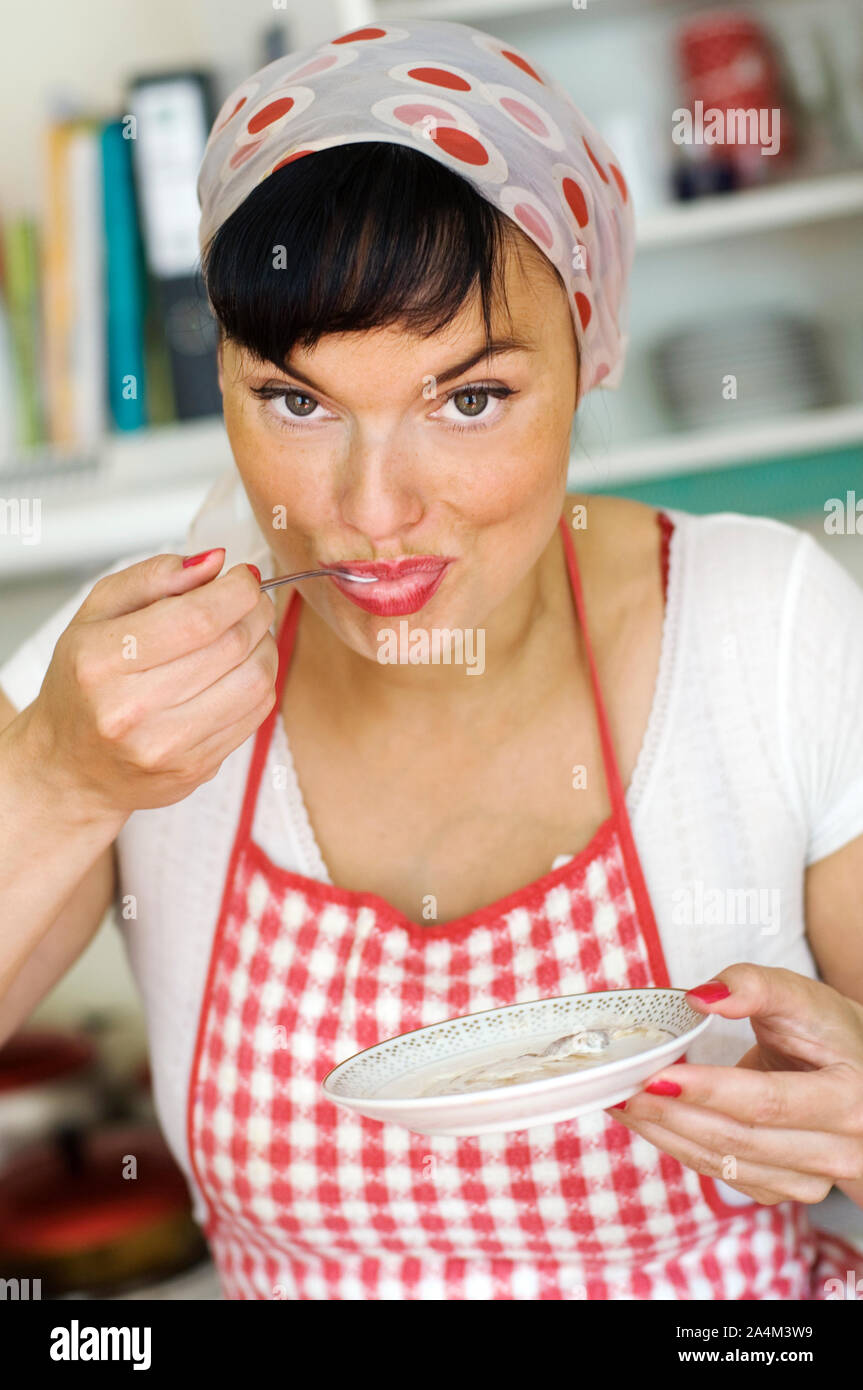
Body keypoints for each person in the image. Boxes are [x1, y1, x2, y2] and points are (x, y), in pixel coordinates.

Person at [2, 18, 863, 1301]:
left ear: (586, 358)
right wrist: (57, 779)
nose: (373, 510)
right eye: (295, 401)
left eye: (468, 400)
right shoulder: (117, 676)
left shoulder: (765, 620)